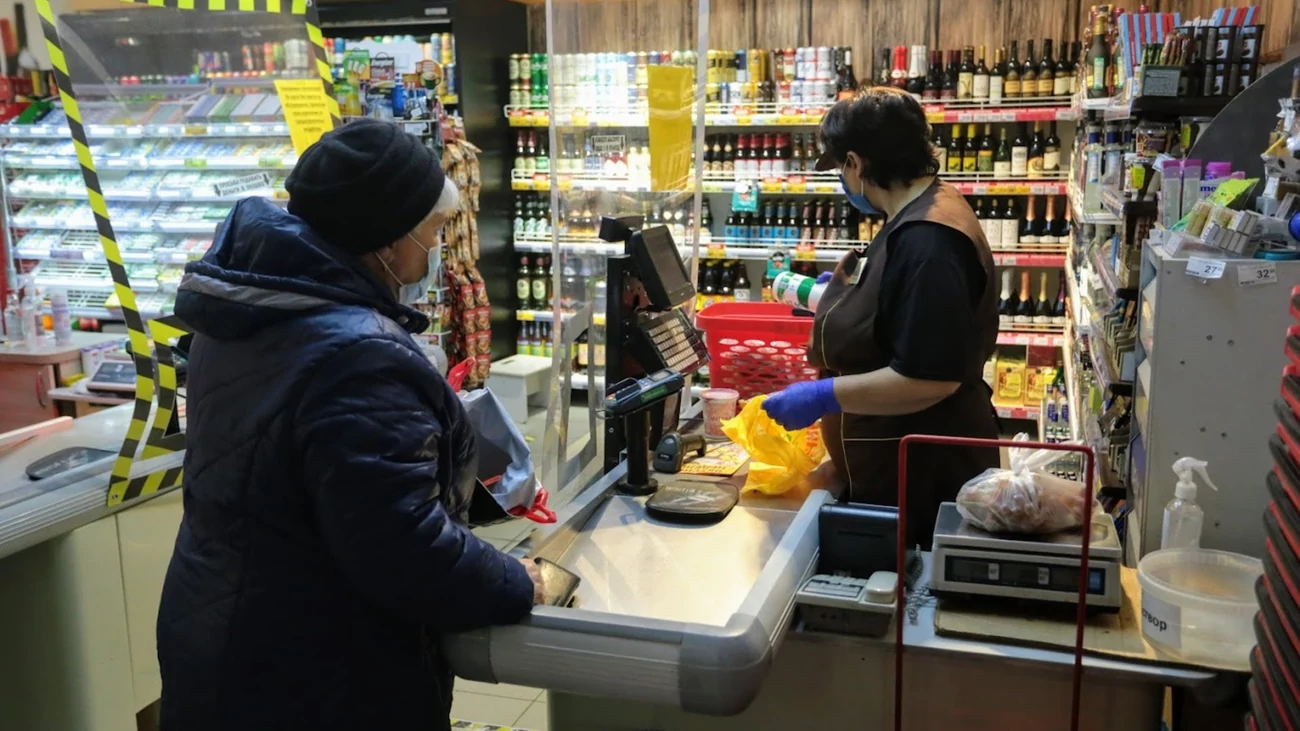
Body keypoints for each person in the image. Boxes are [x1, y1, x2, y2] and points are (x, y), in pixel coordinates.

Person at [156, 119, 544, 731]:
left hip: (228, 632)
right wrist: (517, 581)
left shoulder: (248, 309)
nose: (436, 248)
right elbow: (403, 547)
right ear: (387, 239)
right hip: (313, 673)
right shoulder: (358, 355)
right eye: (433, 230)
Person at [762, 87, 999, 548]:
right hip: (897, 461)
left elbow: (929, 378)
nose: (843, 179)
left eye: (840, 168)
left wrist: (823, 396)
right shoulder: (918, 209)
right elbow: (904, 311)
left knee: (911, 585)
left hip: (921, 475)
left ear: (856, 163)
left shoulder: (930, 242)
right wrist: (848, 296)